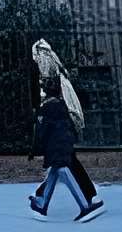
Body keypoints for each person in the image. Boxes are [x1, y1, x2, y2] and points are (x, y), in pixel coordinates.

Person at [31, 42, 101, 220]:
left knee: (61, 164)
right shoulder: (55, 64)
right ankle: (43, 199)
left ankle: (84, 203)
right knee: (61, 163)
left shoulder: (46, 65)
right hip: (62, 121)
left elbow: (48, 86)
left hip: (57, 121)